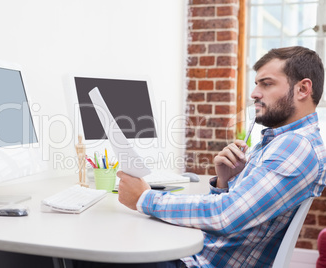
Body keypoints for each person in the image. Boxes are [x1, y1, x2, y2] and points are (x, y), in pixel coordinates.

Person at [73, 46, 326, 268]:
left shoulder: (296, 146)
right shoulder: (279, 140)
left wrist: (143, 198)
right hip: (200, 254)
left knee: (82, 253)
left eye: (266, 83)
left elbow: (225, 216)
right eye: (256, 83)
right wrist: (225, 184)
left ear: (303, 88)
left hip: (197, 263)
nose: (254, 93)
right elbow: (238, 215)